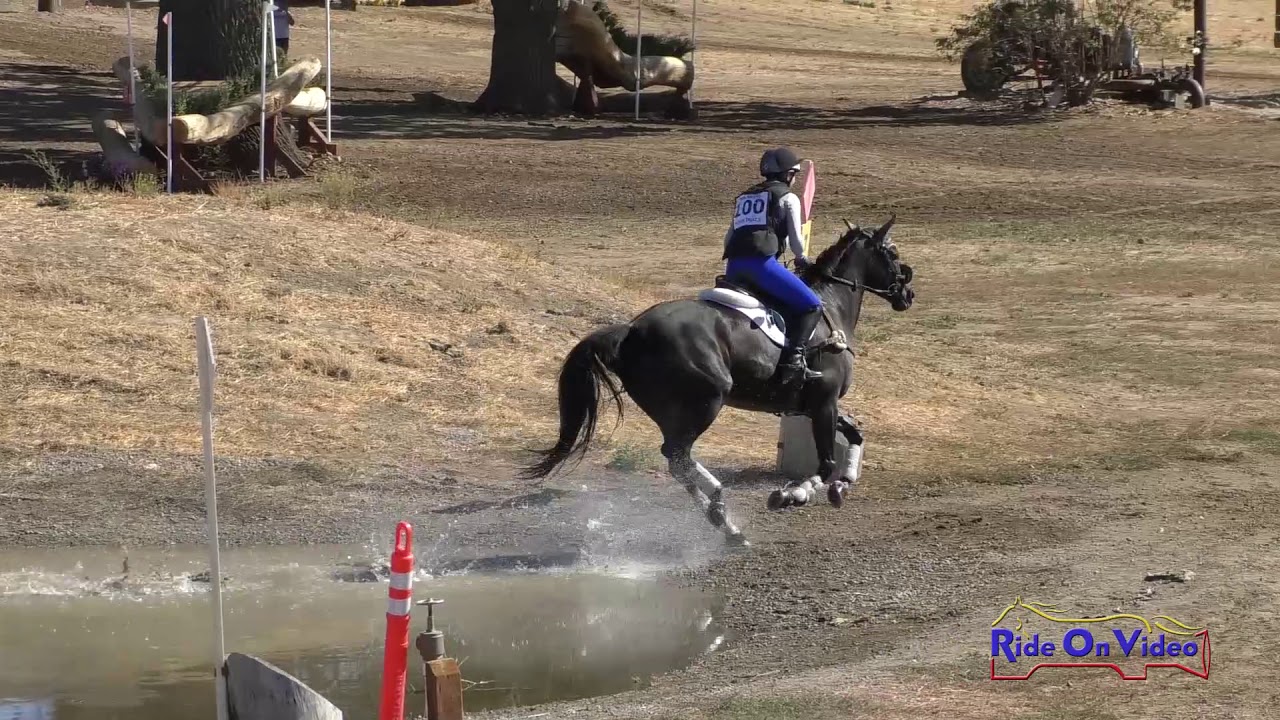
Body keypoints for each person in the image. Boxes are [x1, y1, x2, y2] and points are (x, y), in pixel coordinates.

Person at [722, 147, 824, 386]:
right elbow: (797, 244)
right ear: (788, 174)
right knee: (812, 305)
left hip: (733, 267)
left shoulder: (745, 197)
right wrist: (802, 259)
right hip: (761, 265)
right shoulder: (788, 198)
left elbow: (728, 238)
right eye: (794, 175)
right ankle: (794, 362)